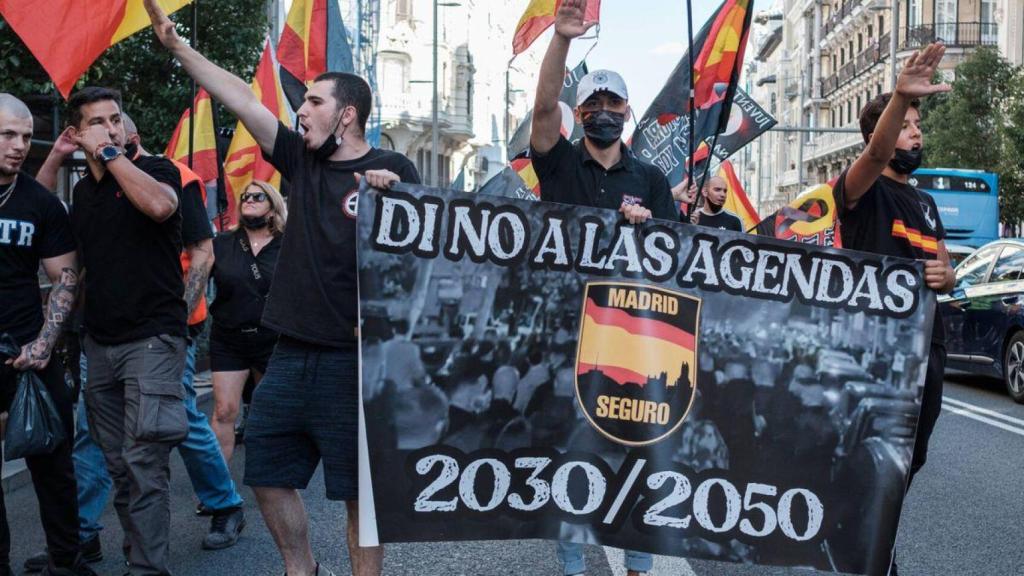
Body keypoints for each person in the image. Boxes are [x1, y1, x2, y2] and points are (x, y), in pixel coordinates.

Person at [144, 2, 420, 574]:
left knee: (357, 497)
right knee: (266, 477)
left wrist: (396, 197)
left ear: (346, 114)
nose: (302, 110)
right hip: (289, 353)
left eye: (315, 101)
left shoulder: (394, 167)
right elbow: (241, 99)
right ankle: (303, 568)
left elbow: (427, 253)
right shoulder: (301, 159)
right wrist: (178, 48)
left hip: (356, 360)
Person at [529, 1, 671, 573]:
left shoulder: (653, 180)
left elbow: (677, 262)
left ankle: (638, 562)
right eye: (594, 104)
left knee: (636, 456)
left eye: (614, 103)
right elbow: (541, 110)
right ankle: (570, 563)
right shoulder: (560, 166)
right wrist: (561, 41)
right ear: (580, 113)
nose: (605, 112)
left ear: (628, 112)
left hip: (634, 343)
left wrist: (652, 231)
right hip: (568, 335)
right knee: (573, 454)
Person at [830, 43, 954, 576]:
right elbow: (877, 158)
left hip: (927, 351)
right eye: (906, 124)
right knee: (872, 465)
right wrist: (900, 93)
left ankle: (871, 547)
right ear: (877, 137)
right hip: (874, 357)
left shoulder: (924, 203)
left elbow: (945, 267)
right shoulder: (861, 190)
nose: (916, 133)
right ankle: (869, 559)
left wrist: (946, 276)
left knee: (906, 465)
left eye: (917, 126)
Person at [60, 86, 188, 576]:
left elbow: (159, 207)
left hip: (153, 339)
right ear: (76, 133)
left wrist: (111, 152)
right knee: (118, 466)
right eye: (97, 122)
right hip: (101, 342)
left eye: (115, 118)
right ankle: (139, 556)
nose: (110, 128)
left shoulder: (156, 170)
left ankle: (149, 570)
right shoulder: (82, 193)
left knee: (145, 462)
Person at [0, 94, 94, 576]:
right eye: (7, 135)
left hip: (25, 354)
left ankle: (66, 560)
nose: (19, 146)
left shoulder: (41, 203)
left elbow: (65, 279)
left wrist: (43, 343)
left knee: (54, 463)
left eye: (23, 135)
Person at [208, 180, 286, 463]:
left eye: (258, 196)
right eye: (245, 196)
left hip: (272, 340)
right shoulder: (222, 244)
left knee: (269, 413)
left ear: (273, 206)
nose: (249, 200)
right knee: (224, 411)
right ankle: (218, 491)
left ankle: (273, 481)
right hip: (229, 337)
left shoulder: (288, 245)